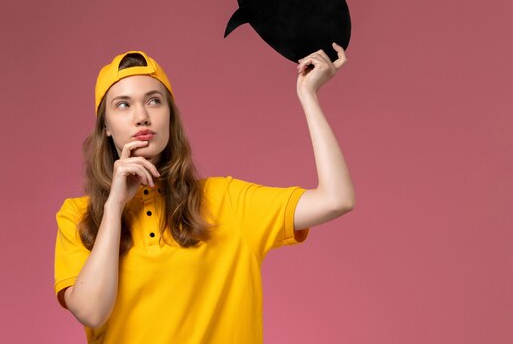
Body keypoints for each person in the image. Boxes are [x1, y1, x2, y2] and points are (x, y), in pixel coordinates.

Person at [54, 46, 355, 344]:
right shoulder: (78, 216)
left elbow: (336, 198)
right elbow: (92, 312)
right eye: (123, 105)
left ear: (170, 116)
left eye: (154, 101)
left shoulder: (227, 201)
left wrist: (309, 96)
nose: (142, 116)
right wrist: (114, 207)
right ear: (105, 126)